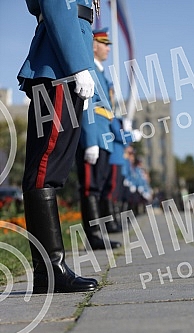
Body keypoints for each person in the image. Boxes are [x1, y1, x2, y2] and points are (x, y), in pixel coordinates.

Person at [18, 0, 100, 293]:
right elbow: (56, 5)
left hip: (65, 61)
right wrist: (77, 65)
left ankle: (48, 270)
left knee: (49, 167)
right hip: (59, 64)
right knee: (44, 167)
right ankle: (50, 269)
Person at [76, 27, 121, 249]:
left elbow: (107, 111)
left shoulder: (101, 72)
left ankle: (99, 234)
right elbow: (87, 107)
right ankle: (93, 235)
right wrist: (90, 139)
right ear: (94, 45)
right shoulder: (90, 69)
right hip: (93, 135)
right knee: (90, 187)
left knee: (99, 185)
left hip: (104, 137)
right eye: (105, 44)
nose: (108, 48)